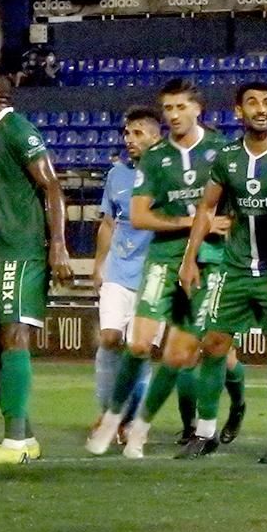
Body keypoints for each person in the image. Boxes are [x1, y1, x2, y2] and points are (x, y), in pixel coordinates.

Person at [86, 77, 231, 458]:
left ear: (198, 108)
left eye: (181, 107)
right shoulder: (154, 158)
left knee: (185, 354)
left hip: (209, 261)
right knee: (137, 344)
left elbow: (238, 201)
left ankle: (149, 427)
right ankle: (113, 419)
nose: (174, 115)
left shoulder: (221, 150)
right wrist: (193, 222)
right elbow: (139, 216)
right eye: (168, 108)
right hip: (162, 260)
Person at [178, 82, 267, 462]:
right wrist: (190, 259)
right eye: (252, 102)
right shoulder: (226, 159)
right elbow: (206, 208)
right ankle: (205, 432)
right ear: (238, 111)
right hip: (234, 266)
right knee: (214, 344)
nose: (260, 108)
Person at [0, 64, 73, 464]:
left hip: (24, 251)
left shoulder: (17, 129)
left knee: (14, 336)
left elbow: (52, 184)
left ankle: (14, 443)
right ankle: (24, 435)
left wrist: (59, 246)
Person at [90, 107, 162, 439]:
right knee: (109, 339)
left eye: (137, 133)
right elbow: (107, 223)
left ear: (155, 136)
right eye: (126, 133)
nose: (129, 140)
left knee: (140, 348)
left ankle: (131, 420)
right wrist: (98, 264)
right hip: (118, 270)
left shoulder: (167, 174)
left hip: (154, 273)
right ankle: (108, 415)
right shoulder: (116, 175)